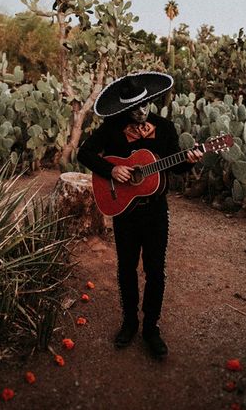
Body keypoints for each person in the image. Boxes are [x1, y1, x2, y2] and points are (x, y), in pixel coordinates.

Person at [77, 71, 203, 358]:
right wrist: (111, 170)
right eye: (135, 107)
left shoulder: (165, 127)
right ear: (124, 108)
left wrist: (190, 159)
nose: (142, 111)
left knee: (156, 271)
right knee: (126, 268)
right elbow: (84, 154)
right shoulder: (111, 128)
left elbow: (177, 166)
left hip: (156, 211)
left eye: (145, 104)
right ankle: (129, 322)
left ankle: (151, 328)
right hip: (124, 211)